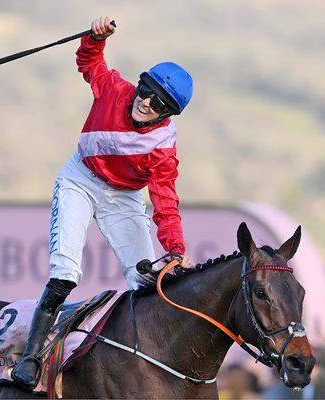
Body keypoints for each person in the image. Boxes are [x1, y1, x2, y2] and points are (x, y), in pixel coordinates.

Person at [11, 16, 195, 389]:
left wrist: (175, 248)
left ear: (168, 114)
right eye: (146, 90)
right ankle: (31, 356)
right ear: (139, 84)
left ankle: (147, 363)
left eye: (159, 103)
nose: (146, 102)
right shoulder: (113, 88)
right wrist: (95, 38)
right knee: (66, 273)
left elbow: (165, 200)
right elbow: (89, 63)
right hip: (80, 179)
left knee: (147, 280)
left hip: (123, 198)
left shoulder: (163, 147)